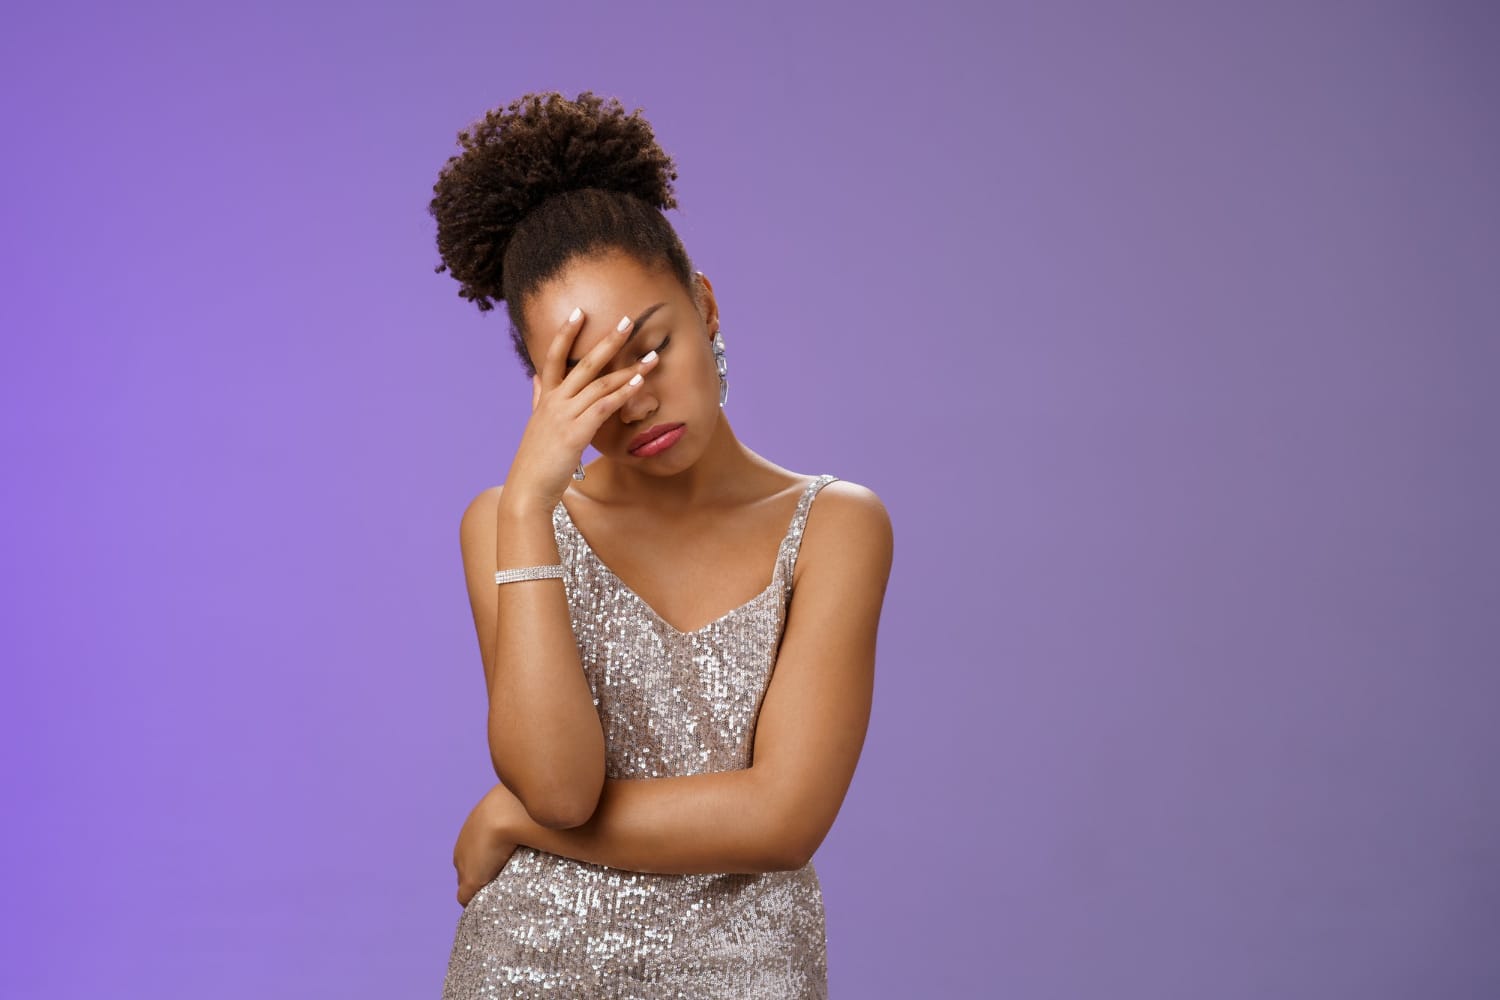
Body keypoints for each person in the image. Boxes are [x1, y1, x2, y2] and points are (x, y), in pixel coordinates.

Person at [427, 90, 893, 999]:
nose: (634, 401)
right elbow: (558, 788)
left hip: (750, 975)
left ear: (705, 306)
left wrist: (514, 821)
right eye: (587, 377)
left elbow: (782, 820)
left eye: (649, 348)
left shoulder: (836, 525)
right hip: (528, 967)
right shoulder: (508, 523)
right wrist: (527, 507)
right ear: (543, 390)